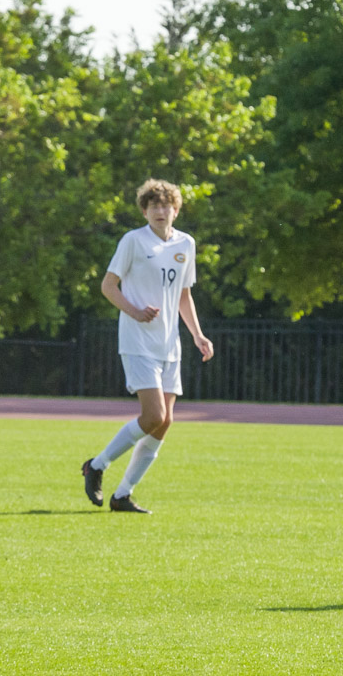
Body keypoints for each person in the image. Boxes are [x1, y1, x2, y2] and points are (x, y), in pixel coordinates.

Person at [81, 179, 214, 513]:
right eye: (153, 205)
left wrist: (197, 334)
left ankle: (123, 494)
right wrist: (135, 312)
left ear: (176, 209)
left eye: (166, 205)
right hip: (138, 340)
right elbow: (108, 286)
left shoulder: (186, 243)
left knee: (165, 421)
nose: (160, 210)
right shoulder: (133, 241)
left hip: (170, 344)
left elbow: (184, 295)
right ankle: (97, 465)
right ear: (144, 210)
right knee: (153, 414)